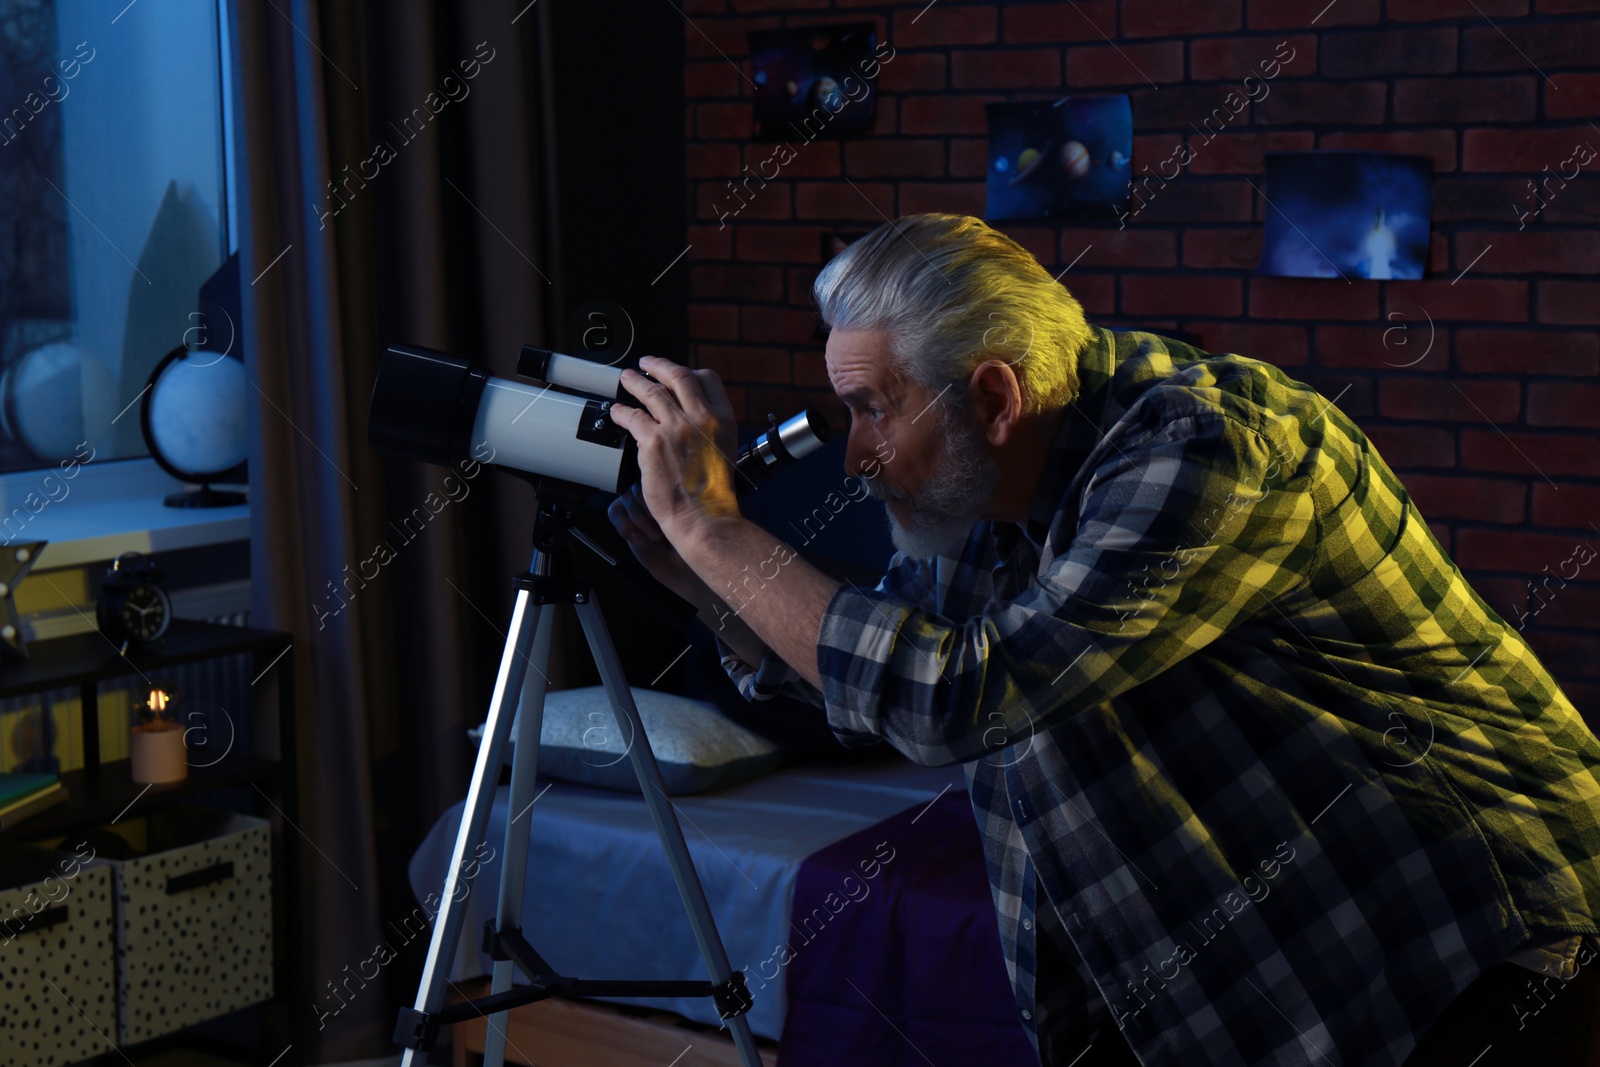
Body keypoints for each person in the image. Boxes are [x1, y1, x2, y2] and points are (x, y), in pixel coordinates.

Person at [604, 212, 1600, 1066]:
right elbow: (870, 685)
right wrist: (704, 579)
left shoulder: (1205, 447)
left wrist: (717, 526)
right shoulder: (980, 496)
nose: (855, 456)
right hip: (1302, 948)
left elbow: (953, 696)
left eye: (870, 408)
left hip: (1485, 932)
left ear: (992, 398)